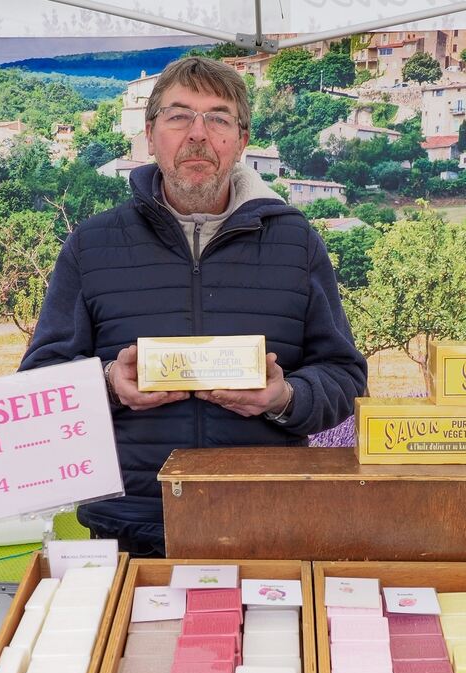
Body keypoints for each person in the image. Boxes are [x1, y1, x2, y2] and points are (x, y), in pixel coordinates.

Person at [20, 56, 367, 556]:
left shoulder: (297, 242)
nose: (199, 134)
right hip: (130, 530)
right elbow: (40, 380)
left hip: (268, 520)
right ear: (150, 132)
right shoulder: (92, 244)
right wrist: (108, 384)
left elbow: (344, 374)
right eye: (179, 116)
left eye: (219, 118)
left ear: (242, 140)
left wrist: (286, 397)